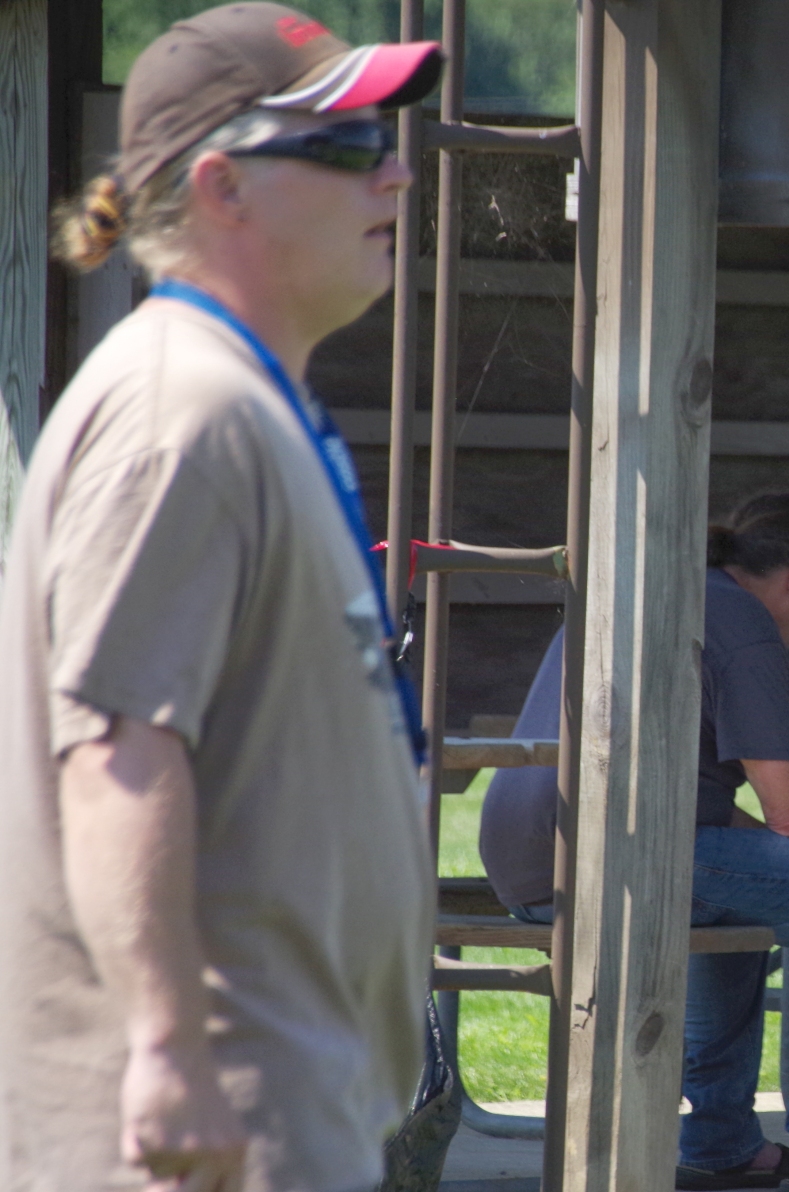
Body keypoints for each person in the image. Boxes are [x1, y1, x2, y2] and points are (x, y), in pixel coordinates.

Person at [0, 7, 443, 1191]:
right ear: (222, 186)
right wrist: (167, 1048)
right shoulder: (179, 416)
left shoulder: (236, 399)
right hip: (197, 1135)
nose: (397, 171)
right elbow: (118, 757)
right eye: (349, 143)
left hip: (267, 1112)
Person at [481, 493, 789, 1192]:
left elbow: (706, 814)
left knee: (745, 891)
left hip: (527, 857)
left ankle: (720, 1143)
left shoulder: (671, 590)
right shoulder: (742, 620)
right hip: (608, 853)